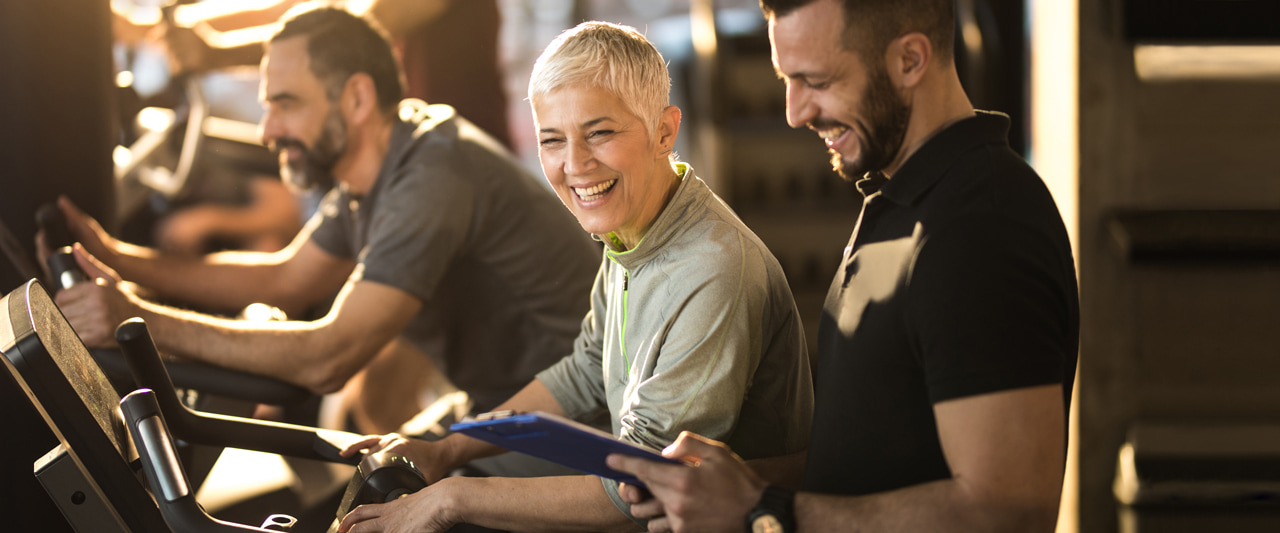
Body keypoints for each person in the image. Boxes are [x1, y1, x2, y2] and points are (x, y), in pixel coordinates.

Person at [607, 0, 1081, 531]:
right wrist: (729, 484)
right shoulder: (898, 197)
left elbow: (1009, 509)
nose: (794, 112)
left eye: (817, 80)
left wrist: (762, 511)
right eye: (787, 79)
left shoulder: (982, 226)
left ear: (910, 60)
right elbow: (868, 462)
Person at [335, 21, 814, 533]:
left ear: (664, 133)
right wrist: (446, 449)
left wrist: (454, 497)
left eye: (600, 133)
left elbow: (643, 484)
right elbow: (585, 370)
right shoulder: (632, 225)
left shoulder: (714, 268)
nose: (575, 164)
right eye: (552, 140)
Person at [48, 5, 600, 432]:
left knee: (378, 467)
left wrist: (134, 320)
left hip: (581, 434)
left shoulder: (431, 174)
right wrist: (117, 258)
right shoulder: (375, 169)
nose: (267, 131)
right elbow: (284, 278)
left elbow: (327, 358)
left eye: (285, 104)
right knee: (368, 440)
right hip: (510, 408)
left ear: (357, 99)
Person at [155, 0, 512, 149]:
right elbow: (303, 9)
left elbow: (354, 29)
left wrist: (216, 52)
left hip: (457, 153)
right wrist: (152, 30)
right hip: (409, 149)